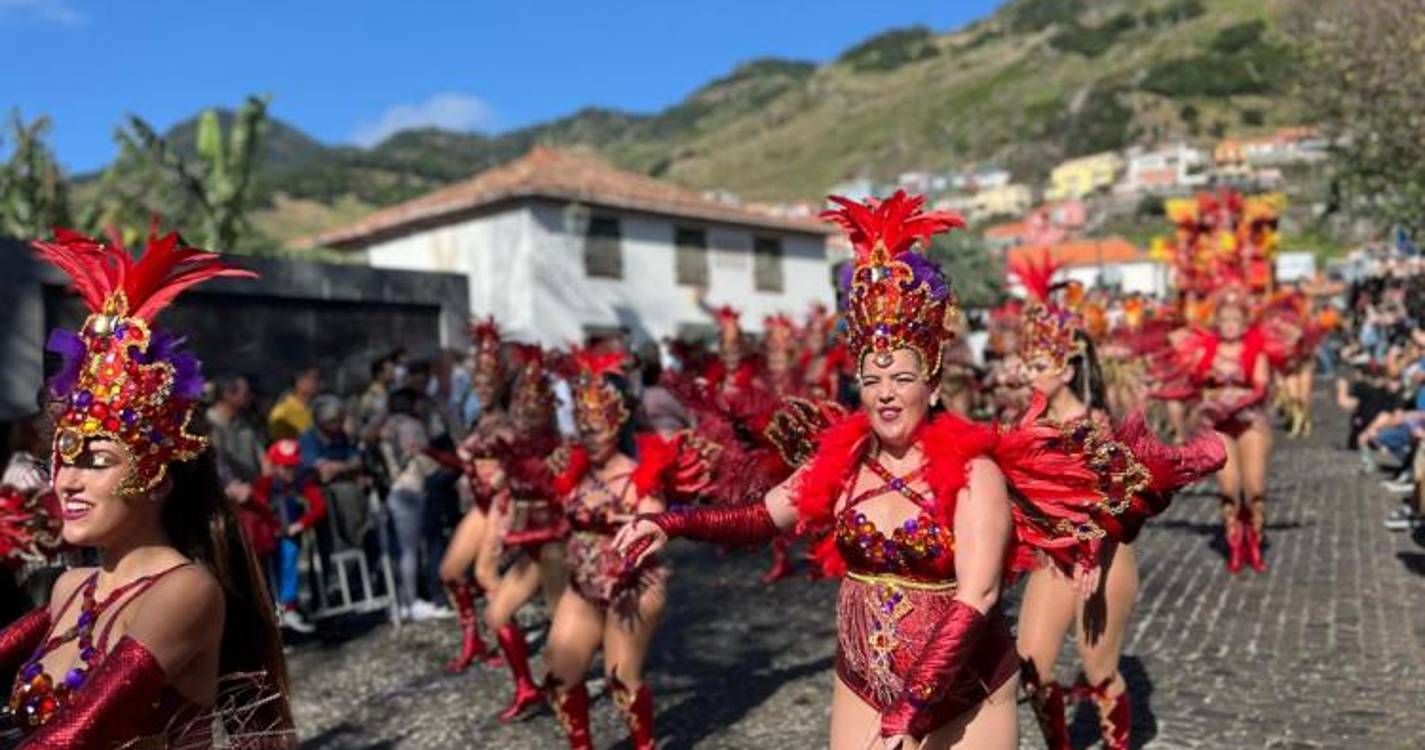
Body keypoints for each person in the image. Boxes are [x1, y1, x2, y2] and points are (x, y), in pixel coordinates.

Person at [0, 228, 293, 746]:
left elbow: (73, 736)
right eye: (63, 460)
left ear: (158, 479)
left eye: (96, 462)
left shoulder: (185, 591)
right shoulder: (71, 588)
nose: (67, 481)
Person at [1008, 253, 1223, 750]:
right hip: (1052, 561)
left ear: (1066, 369)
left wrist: (1088, 555)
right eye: (1028, 363)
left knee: (1099, 668)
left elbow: (1109, 502)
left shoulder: (1096, 425)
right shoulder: (1026, 421)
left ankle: (1118, 744)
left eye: (1038, 365)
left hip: (1102, 559)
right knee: (1033, 666)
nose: (1027, 373)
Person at [542, 348, 679, 750]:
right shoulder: (575, 469)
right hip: (583, 587)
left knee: (621, 680)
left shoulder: (642, 472)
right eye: (583, 428)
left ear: (616, 422)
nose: (590, 437)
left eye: (598, 427)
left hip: (633, 587)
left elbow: (656, 519)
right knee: (560, 678)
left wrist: (639, 525)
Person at [478, 344, 568, 722]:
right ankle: (527, 687)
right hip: (525, 546)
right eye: (521, 403)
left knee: (562, 629)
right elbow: (498, 483)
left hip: (555, 547)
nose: (527, 411)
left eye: (535, 404)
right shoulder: (512, 445)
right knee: (497, 616)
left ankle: (567, 702)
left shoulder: (559, 450)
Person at [436, 318, 508, 672]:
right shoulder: (479, 419)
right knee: (450, 572)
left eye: (487, 382)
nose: (481, 388)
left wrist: (501, 476)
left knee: (486, 575)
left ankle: (512, 653)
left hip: (502, 504)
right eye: (478, 381)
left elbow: (523, 458)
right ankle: (473, 640)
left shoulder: (509, 421)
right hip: (481, 504)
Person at [1187, 288, 1274, 573]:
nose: (1229, 325)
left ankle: (1254, 538)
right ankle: (1235, 541)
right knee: (1228, 489)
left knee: (1255, 489)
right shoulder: (1205, 350)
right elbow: (1195, 383)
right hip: (1218, 424)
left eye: (1235, 320)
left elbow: (1261, 387)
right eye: (1224, 320)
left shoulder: (1255, 350)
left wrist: (1237, 403)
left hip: (1249, 422)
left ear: (1244, 322)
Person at [381, 388, 442, 620]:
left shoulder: (385, 429)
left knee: (400, 550)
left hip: (393, 490)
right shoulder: (411, 426)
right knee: (410, 550)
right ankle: (412, 599)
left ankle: (402, 601)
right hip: (411, 489)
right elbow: (422, 459)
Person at [255, 439, 328, 634]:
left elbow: (319, 506)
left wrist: (300, 524)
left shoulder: (302, 483)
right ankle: (270, 610)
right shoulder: (264, 484)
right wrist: (273, 527)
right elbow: (257, 507)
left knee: (289, 552)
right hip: (266, 537)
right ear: (274, 466)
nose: (290, 472)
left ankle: (289, 606)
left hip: (289, 535)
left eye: (293, 467)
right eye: (285, 467)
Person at [207, 375, 265, 509]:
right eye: (244, 393)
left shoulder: (245, 423)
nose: (249, 396)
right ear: (227, 395)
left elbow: (261, 456)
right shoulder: (209, 425)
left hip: (253, 491)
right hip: (228, 495)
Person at [267, 365, 320, 442]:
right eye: (314, 379)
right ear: (299, 383)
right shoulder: (282, 412)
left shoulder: (316, 408)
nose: (317, 383)